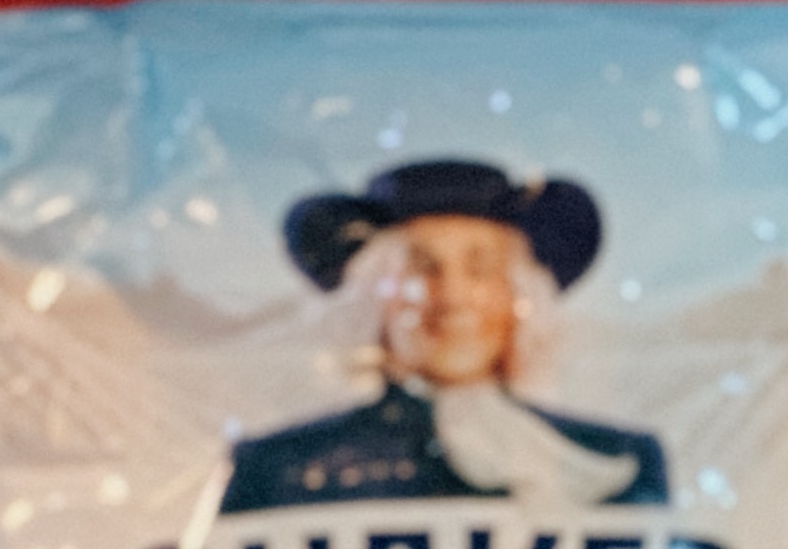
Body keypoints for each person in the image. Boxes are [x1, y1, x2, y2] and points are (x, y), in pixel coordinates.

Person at [221, 158, 667, 515]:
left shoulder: (616, 462)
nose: (451, 297)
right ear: (374, 298)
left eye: (481, 269)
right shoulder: (280, 469)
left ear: (520, 293)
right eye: (421, 267)